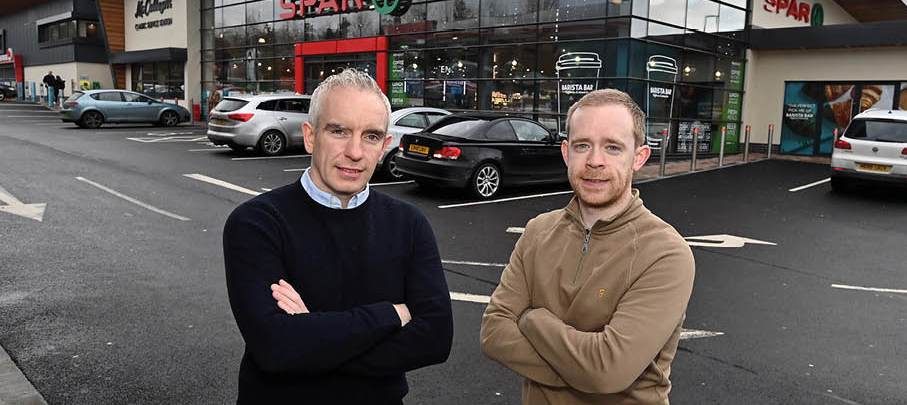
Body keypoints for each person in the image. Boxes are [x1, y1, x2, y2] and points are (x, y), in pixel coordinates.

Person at [223, 69, 453, 404]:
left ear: (385, 146)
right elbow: (277, 347)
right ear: (311, 136)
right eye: (340, 131)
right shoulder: (256, 223)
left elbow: (435, 338)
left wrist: (313, 336)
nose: (355, 152)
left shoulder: (409, 224)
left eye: (371, 136)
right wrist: (390, 314)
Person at [480, 89, 695, 404]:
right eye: (583, 145)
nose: (595, 161)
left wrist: (530, 319)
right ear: (566, 153)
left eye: (612, 147)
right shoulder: (537, 232)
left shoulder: (666, 253)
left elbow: (606, 371)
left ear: (638, 157)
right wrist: (580, 373)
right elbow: (494, 334)